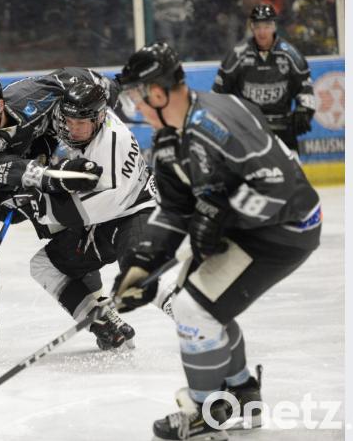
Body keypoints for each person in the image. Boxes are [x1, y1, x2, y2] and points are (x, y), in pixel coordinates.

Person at [112, 42, 322, 440]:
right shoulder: (169, 140)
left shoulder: (221, 118)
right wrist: (144, 263)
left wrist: (221, 213)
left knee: (193, 308)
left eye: (137, 98)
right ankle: (242, 394)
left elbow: (277, 186)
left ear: (157, 94)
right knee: (193, 300)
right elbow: (174, 210)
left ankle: (206, 415)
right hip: (252, 227)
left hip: (287, 227)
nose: (135, 108)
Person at [0, 68, 124, 353]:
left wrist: (112, 85)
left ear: (0, 105)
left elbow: (72, 77)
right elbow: (19, 174)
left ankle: (101, 312)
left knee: (72, 231)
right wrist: (60, 174)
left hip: (35, 166)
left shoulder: (31, 94)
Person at [4, 80, 157, 350]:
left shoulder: (109, 148)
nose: (72, 129)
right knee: (44, 264)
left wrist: (35, 205)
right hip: (112, 214)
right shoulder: (94, 124)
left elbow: (84, 211)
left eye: (80, 123)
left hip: (128, 213)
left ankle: (200, 328)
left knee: (141, 276)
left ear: (98, 118)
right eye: (69, 121)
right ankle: (105, 324)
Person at [212, 4, 316, 155]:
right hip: (247, 129)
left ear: (274, 26)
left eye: (267, 26)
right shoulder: (237, 55)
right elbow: (218, 94)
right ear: (251, 27)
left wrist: (305, 109)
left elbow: (305, 88)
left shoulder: (291, 55)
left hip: (283, 128)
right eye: (258, 26)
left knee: (293, 175)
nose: (262, 32)